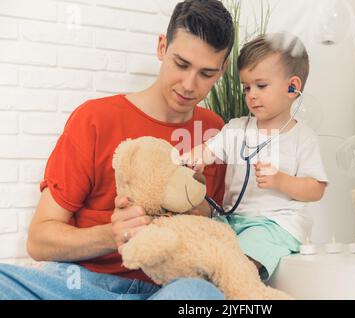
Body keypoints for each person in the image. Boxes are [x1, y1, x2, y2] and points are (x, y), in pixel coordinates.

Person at [0, 0, 234, 300]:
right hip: (82, 284)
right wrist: (112, 235)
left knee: (200, 294)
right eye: (181, 64)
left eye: (206, 73)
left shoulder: (216, 133)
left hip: (169, 289)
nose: (190, 85)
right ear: (162, 48)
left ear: (222, 70)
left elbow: (215, 228)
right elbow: (39, 240)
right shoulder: (95, 119)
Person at [182, 33, 329, 281]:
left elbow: (316, 189)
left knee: (240, 261)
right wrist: (196, 156)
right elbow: (210, 148)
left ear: (293, 87)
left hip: (275, 225)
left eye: (261, 86)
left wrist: (280, 180)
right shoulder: (237, 128)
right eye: (247, 87)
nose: (251, 95)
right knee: (197, 248)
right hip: (233, 221)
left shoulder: (303, 137)